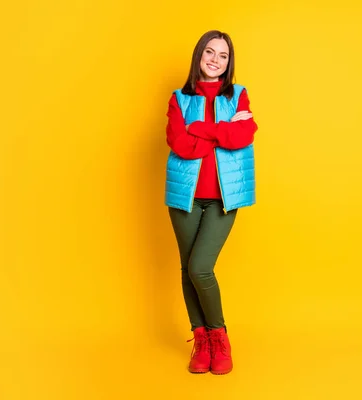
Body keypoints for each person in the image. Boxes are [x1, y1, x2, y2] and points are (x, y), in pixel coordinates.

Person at [164, 30, 258, 375]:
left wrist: (200, 129)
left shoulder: (239, 96)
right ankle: (201, 341)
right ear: (199, 56)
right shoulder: (178, 98)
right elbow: (179, 142)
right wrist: (221, 131)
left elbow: (244, 136)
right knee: (188, 270)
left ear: (229, 62)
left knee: (200, 268)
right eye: (210, 52)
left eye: (223, 55)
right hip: (184, 199)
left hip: (224, 198)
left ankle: (220, 336)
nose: (215, 60)